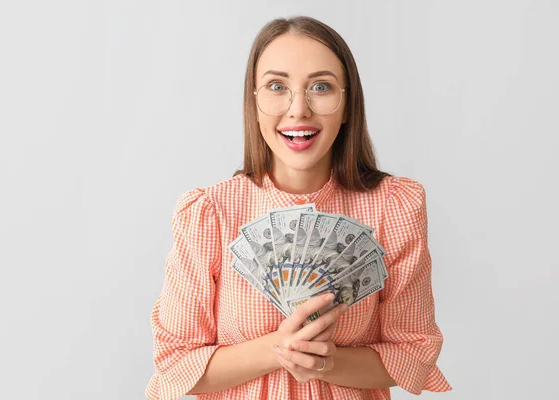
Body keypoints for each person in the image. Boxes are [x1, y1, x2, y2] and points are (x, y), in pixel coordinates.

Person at [145, 15, 452, 400]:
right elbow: (176, 366)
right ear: (253, 102)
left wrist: (327, 362)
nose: (298, 110)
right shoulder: (211, 213)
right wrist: (279, 347)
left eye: (320, 87)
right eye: (277, 86)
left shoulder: (394, 207)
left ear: (347, 104)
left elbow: (413, 353)